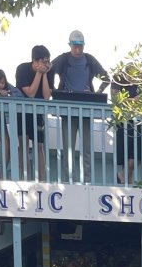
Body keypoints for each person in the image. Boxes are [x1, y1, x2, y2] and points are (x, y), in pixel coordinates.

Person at [50, 31, 110, 178]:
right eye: (74, 46)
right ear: (70, 45)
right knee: (68, 148)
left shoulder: (89, 60)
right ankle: (68, 178)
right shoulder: (63, 59)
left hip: (86, 109)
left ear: (83, 46)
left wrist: (96, 93)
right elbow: (49, 70)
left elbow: (106, 78)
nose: (77, 50)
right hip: (67, 110)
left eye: (80, 46)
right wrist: (56, 91)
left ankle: (87, 179)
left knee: (87, 149)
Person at [14, 45, 53, 177]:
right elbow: (30, 93)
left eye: (47, 61)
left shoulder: (49, 71)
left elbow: (47, 96)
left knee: (39, 146)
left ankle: (42, 179)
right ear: (35, 61)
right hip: (22, 112)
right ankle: (25, 176)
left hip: (38, 112)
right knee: (23, 145)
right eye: (43, 62)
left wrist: (45, 74)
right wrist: (38, 73)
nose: (45, 65)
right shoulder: (22, 69)